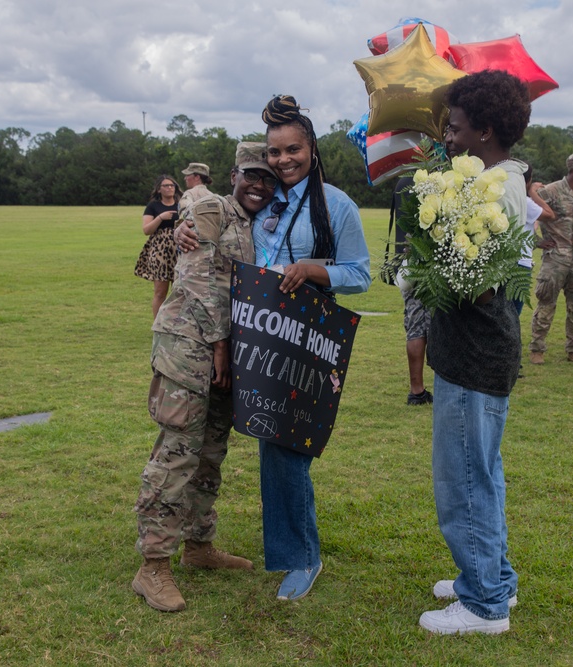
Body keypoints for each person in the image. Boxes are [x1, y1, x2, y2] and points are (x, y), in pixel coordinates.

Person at [176, 95, 371, 601]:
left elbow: (362, 273)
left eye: (293, 150)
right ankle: (258, 543)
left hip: (302, 336)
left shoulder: (336, 203)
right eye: (276, 152)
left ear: (312, 149)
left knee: (286, 447)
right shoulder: (257, 204)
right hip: (253, 332)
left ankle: (302, 557)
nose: (284, 160)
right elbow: (215, 228)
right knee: (268, 438)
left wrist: (313, 268)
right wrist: (187, 229)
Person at [131, 143, 277, 613]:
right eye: (251, 175)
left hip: (226, 353)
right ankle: (152, 566)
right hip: (188, 345)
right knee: (177, 452)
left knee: (212, 451)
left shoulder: (258, 222)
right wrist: (220, 343)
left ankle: (198, 546)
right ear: (233, 174)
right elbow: (195, 278)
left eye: (267, 178)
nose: (259, 185)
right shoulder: (209, 206)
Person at [418, 70, 530, 636]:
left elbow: (479, 282)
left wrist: (430, 263)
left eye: (457, 129)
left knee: (463, 476)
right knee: (483, 471)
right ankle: (494, 579)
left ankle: (482, 603)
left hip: (476, 350)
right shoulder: (504, 180)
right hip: (484, 348)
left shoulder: (491, 189)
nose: (450, 139)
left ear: (485, 131)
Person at [528, 152, 573, 365]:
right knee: (546, 303)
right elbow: (526, 211)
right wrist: (536, 241)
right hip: (556, 259)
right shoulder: (551, 191)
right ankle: (537, 349)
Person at [392, 176, 433, 405]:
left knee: (415, 326)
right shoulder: (436, 179)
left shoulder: (402, 181)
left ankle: (416, 389)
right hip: (431, 263)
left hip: (407, 265)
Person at [135, 175, 183, 318]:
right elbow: (146, 230)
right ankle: (158, 325)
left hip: (179, 249)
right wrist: (160, 217)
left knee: (179, 290)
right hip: (160, 251)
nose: (169, 188)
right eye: (166, 186)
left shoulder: (181, 204)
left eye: (172, 185)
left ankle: (178, 324)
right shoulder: (153, 206)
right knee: (160, 292)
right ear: (159, 189)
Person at [515, 164, 555, 316]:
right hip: (521, 264)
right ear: (528, 180)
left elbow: (524, 227)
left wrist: (536, 241)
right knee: (514, 312)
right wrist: (532, 192)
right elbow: (549, 214)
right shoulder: (525, 202)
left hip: (504, 261)